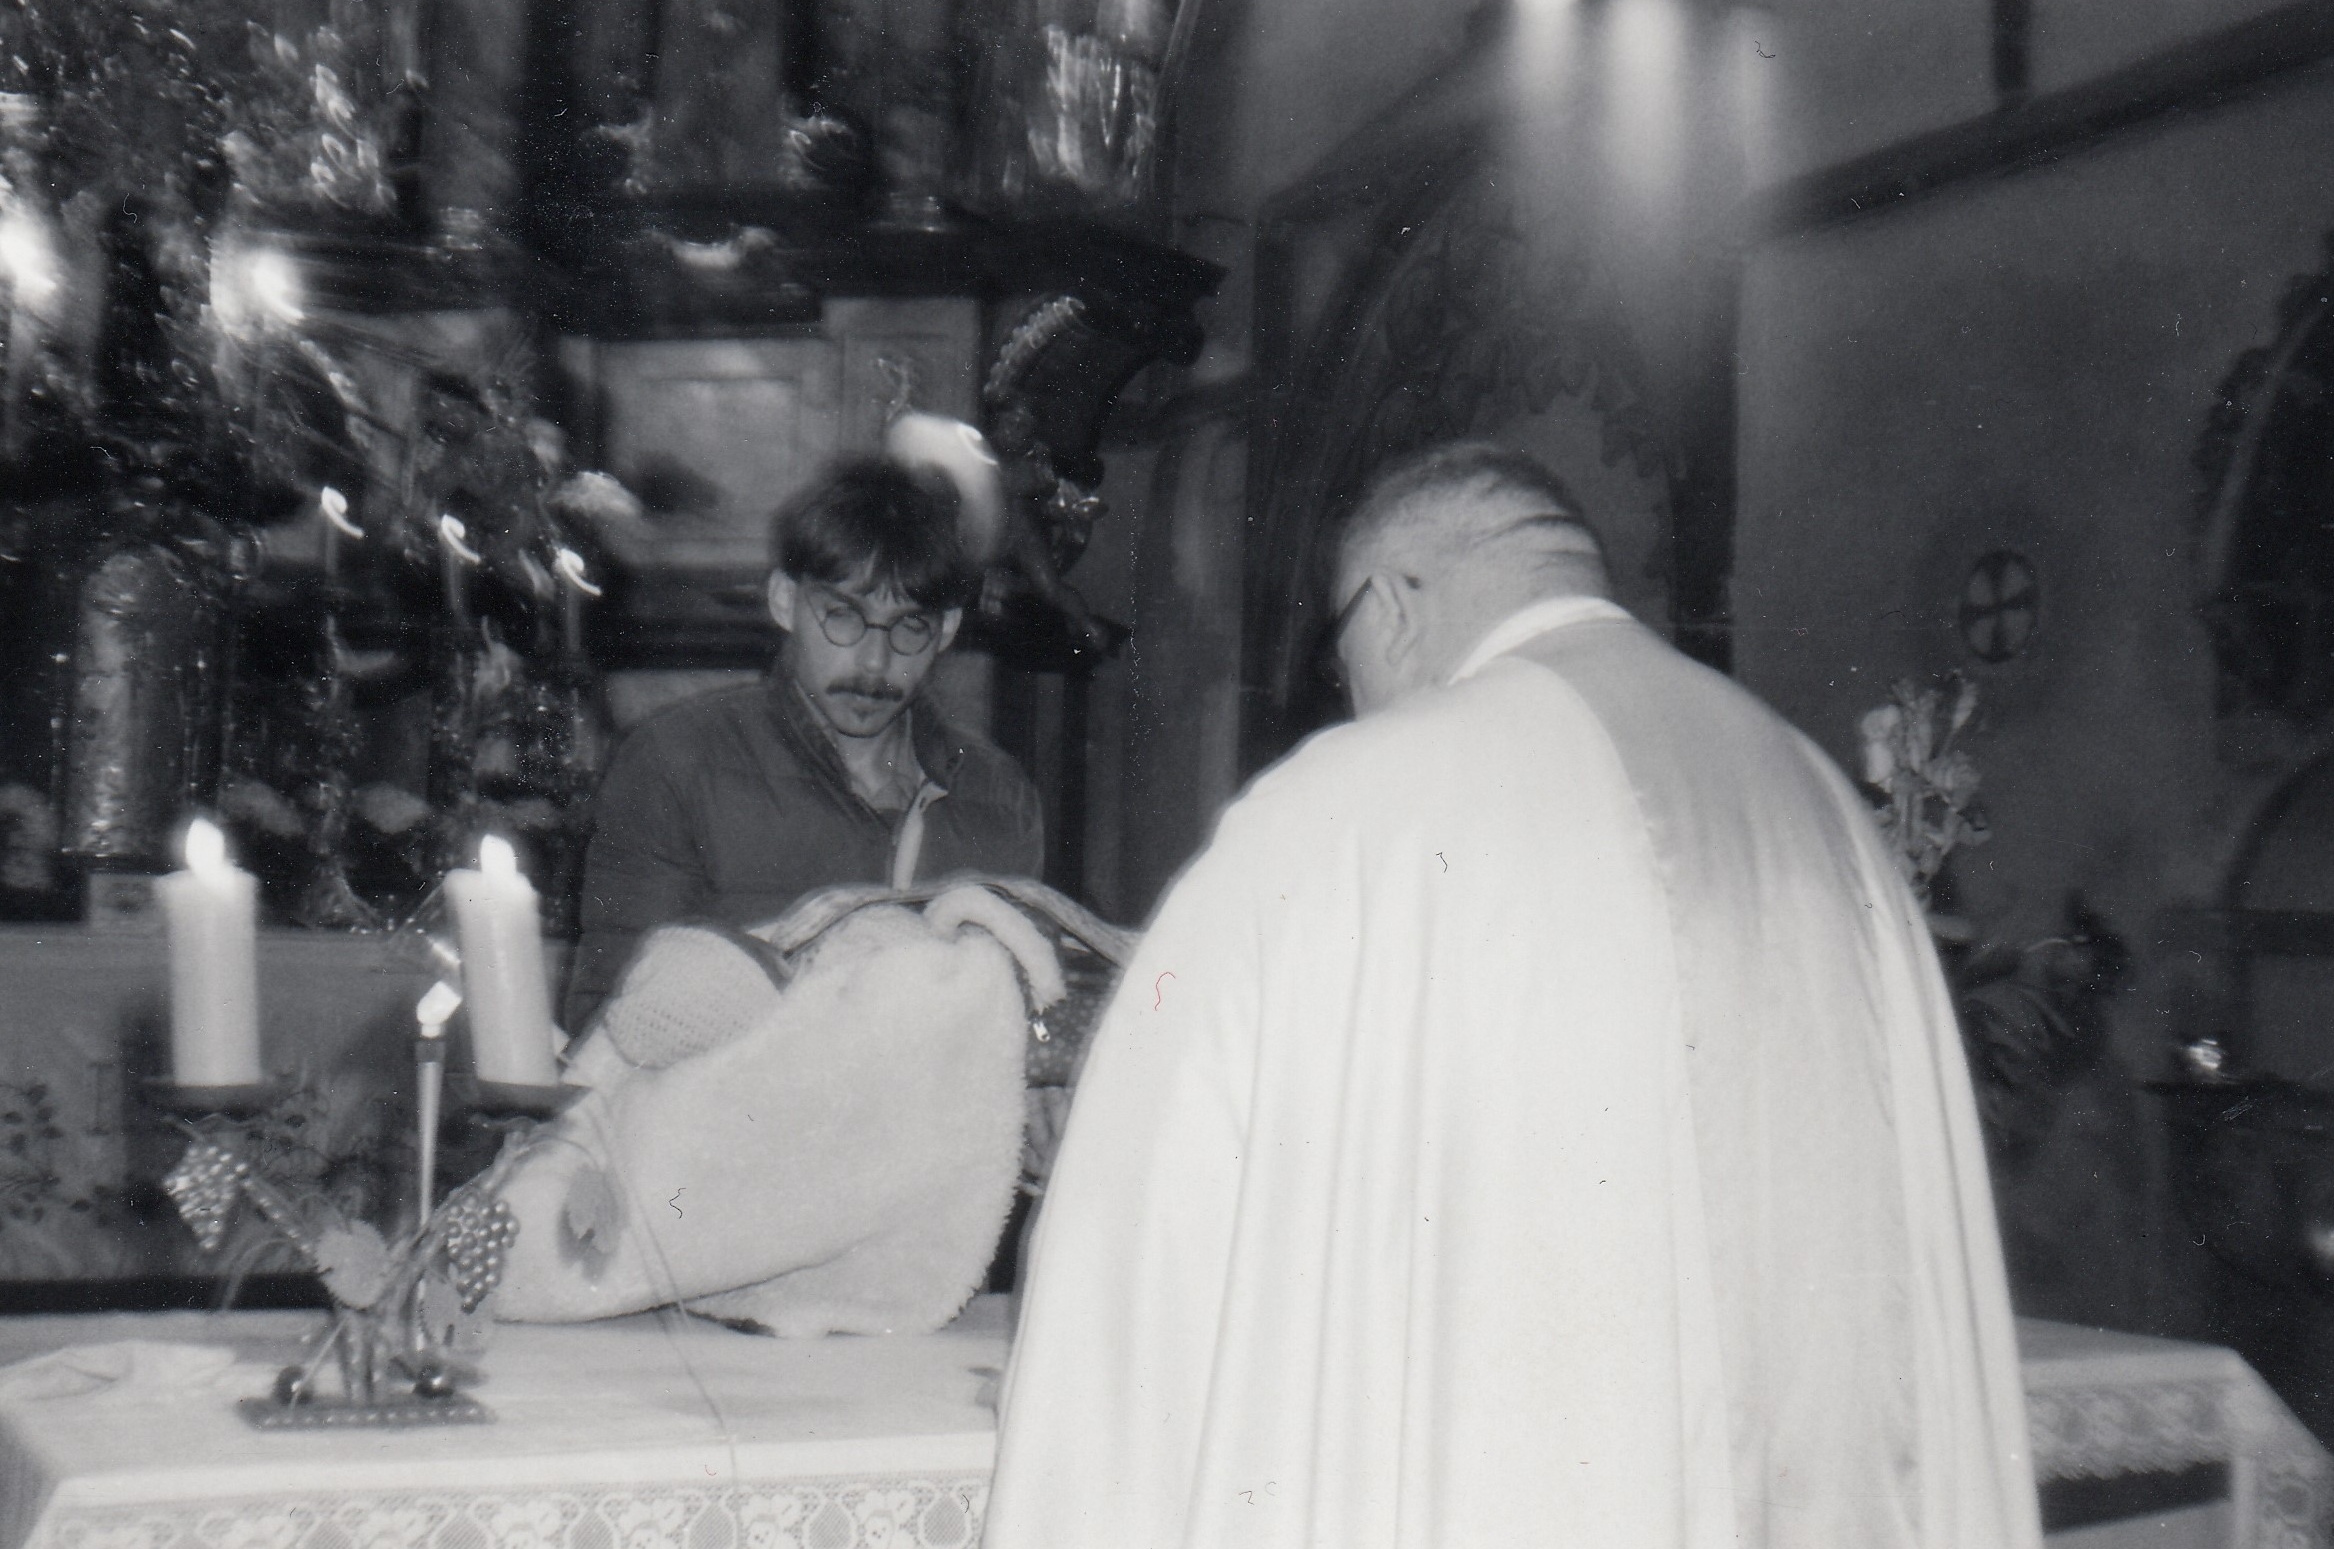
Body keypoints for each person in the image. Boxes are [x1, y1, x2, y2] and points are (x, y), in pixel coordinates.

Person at [983, 442, 2041, 1549]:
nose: (1354, 702)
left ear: (1389, 608)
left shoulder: (1351, 804)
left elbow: (1142, 1235)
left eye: (1343, 665)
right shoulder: (1823, 805)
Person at [564, 458, 1044, 1030]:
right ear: (785, 601)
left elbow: (1018, 1021)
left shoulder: (999, 798)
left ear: (945, 630)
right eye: (843, 616)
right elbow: (611, 1027)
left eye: (909, 627)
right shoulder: (675, 763)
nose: (875, 662)